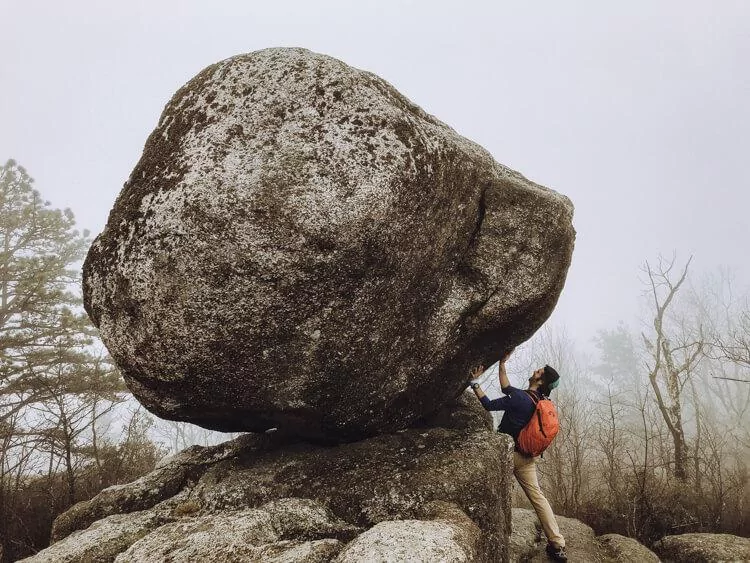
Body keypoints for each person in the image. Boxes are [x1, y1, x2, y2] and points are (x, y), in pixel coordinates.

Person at [468, 350, 567, 563]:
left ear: (540, 380)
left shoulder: (520, 398)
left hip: (507, 455)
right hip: (527, 458)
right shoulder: (537, 399)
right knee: (538, 498)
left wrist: (474, 382)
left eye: (539, 371)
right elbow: (507, 388)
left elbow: (488, 405)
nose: (535, 370)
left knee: (484, 489)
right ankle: (557, 544)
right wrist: (502, 364)